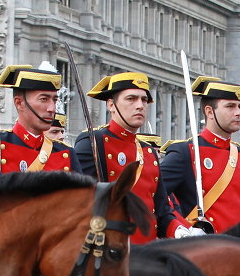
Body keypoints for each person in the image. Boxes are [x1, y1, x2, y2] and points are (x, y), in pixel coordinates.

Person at [74, 71, 193, 242]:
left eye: (144, 100)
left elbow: (161, 211)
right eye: (131, 99)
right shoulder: (93, 142)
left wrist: (181, 231)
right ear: (111, 105)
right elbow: (79, 203)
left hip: (148, 252)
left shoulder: (149, 152)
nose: (140, 106)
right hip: (112, 253)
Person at [162, 76, 240, 232]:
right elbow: (156, 196)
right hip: (203, 249)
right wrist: (182, 229)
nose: (238, 112)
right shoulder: (185, 153)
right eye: (230, 106)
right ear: (209, 112)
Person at [0, 64, 78, 174]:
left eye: (54, 100)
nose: (52, 108)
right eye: (44, 99)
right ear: (19, 103)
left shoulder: (66, 153)